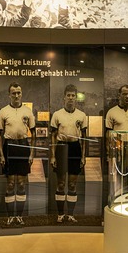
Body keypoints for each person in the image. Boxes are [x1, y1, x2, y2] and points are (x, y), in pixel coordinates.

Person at [0, 82, 36, 225]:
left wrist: (31, 154)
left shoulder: (27, 111)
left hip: (23, 146)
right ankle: (9, 216)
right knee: (10, 183)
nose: (17, 95)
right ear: (9, 95)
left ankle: (19, 215)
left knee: (21, 184)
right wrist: (1, 155)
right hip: (9, 147)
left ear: (21, 93)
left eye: (19, 92)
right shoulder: (3, 111)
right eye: (14, 93)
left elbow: (34, 134)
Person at [50, 84, 87, 223]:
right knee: (61, 183)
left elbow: (84, 138)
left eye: (73, 96)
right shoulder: (57, 114)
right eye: (68, 95)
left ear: (76, 98)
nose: (71, 98)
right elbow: (53, 136)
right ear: (64, 98)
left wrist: (83, 156)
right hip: (61, 147)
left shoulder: (81, 115)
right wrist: (53, 155)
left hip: (75, 148)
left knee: (72, 184)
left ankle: (70, 214)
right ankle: (60, 214)